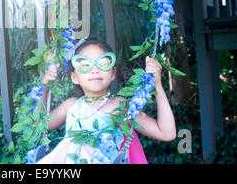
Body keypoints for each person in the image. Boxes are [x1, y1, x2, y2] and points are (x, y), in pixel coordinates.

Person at [35, 38, 176, 164]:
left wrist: (156, 83)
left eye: (103, 62)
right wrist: (46, 80)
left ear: (113, 73)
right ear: (74, 77)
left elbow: (166, 133)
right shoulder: (71, 106)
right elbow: (38, 124)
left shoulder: (119, 106)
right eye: (84, 63)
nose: (94, 69)